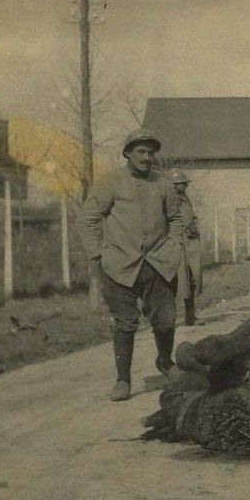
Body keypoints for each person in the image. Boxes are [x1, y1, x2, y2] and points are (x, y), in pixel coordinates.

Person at [81, 130, 183, 402]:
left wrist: (174, 246)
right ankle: (123, 379)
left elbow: (175, 218)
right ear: (127, 153)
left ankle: (164, 362)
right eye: (141, 152)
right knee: (125, 323)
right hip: (118, 266)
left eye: (150, 152)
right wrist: (97, 256)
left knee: (165, 320)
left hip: (158, 263)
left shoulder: (163, 184)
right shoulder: (111, 181)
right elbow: (89, 217)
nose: (147, 157)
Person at [170, 170, 203, 326]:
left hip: (190, 242)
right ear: (175, 185)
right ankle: (167, 320)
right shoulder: (170, 200)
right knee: (177, 281)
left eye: (185, 183)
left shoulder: (185, 198)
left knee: (192, 279)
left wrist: (193, 220)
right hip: (177, 244)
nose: (185, 186)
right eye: (182, 183)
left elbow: (188, 216)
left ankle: (190, 317)